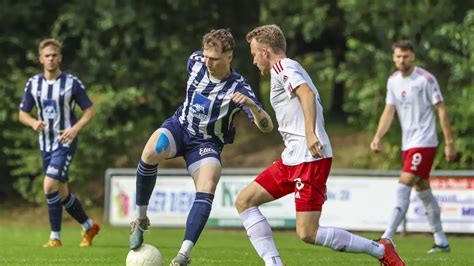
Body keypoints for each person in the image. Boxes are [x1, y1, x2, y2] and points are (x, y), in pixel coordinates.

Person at [236, 24, 405, 266]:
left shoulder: (283, 66)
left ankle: (381, 249)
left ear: (265, 52)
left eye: (254, 54)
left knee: (308, 233)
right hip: (293, 157)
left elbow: (305, 93)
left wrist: (310, 133)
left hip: (309, 156)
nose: (253, 61)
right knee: (244, 201)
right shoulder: (285, 69)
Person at [129, 29, 273, 266]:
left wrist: (251, 105)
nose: (208, 63)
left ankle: (183, 255)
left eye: (214, 59)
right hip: (180, 127)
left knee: (209, 181)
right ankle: (140, 219)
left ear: (229, 57)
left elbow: (266, 127)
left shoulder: (239, 87)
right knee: (151, 151)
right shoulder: (195, 62)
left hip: (206, 143)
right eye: (206, 56)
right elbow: (198, 67)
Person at [370, 40, 456, 254]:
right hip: (408, 145)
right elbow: (389, 111)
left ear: (413, 56)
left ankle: (387, 236)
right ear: (393, 57)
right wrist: (378, 136)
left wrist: (449, 142)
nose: (402, 60)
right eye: (398, 56)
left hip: (425, 143)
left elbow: (441, 109)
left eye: (406, 56)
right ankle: (441, 240)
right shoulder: (393, 81)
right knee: (423, 190)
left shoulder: (426, 79)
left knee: (404, 182)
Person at [19, 38, 100, 247]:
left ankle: (55, 237)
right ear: (40, 59)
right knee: (62, 193)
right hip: (44, 144)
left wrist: (75, 129)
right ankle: (89, 225)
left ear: (60, 57)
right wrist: (32, 122)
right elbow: (22, 113)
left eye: (54, 55)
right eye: (47, 55)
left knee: (48, 186)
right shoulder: (33, 84)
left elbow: (89, 111)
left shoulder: (71, 82)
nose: (51, 59)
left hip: (64, 142)